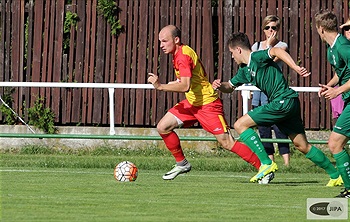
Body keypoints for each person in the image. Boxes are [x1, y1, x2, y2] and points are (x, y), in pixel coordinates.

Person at [212, 32, 343, 187]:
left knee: (240, 125)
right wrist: (221, 86)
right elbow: (230, 86)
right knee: (302, 145)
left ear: (238, 50)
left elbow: (277, 51)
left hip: (283, 101)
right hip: (289, 103)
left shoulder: (257, 57)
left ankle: (266, 163)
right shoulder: (245, 71)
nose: (232, 57)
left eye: (232, 53)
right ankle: (336, 175)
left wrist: (295, 67)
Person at [147, 25, 265, 181]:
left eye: (164, 41)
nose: (161, 45)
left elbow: (185, 85)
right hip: (193, 103)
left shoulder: (182, 56)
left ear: (176, 40)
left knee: (227, 142)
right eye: (160, 41)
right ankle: (182, 163)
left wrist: (160, 86)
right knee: (163, 127)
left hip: (208, 104)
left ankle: (263, 167)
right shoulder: (179, 53)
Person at [315, 10, 350, 198]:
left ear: (320, 29)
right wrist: (329, 85)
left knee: (335, 143)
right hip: (348, 100)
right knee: (336, 143)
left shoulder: (344, 47)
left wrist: (337, 91)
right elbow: (341, 73)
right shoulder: (332, 49)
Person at [251, 15, 290, 166]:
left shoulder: (282, 46)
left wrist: (268, 45)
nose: (270, 30)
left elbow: (268, 62)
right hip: (259, 95)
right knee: (263, 130)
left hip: (274, 94)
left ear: (278, 29)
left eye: (273, 27)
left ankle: (287, 164)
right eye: (267, 27)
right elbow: (255, 65)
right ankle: (270, 163)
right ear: (263, 29)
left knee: (280, 129)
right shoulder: (255, 46)